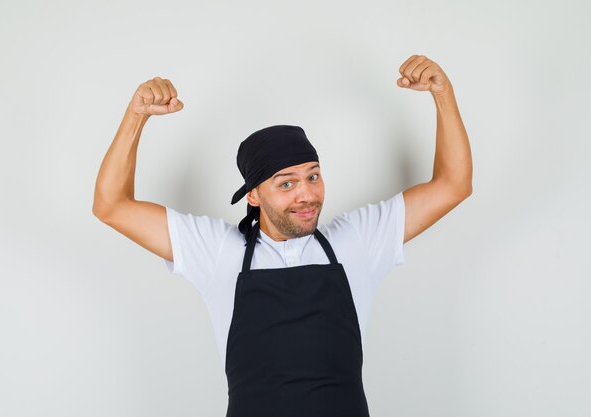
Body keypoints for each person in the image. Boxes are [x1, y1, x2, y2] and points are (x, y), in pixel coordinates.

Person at [92, 54, 472, 417]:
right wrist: (136, 116)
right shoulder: (217, 251)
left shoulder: (357, 240)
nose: (306, 194)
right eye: (286, 183)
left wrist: (444, 93)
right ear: (253, 196)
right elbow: (111, 205)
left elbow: (453, 184)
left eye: (313, 176)